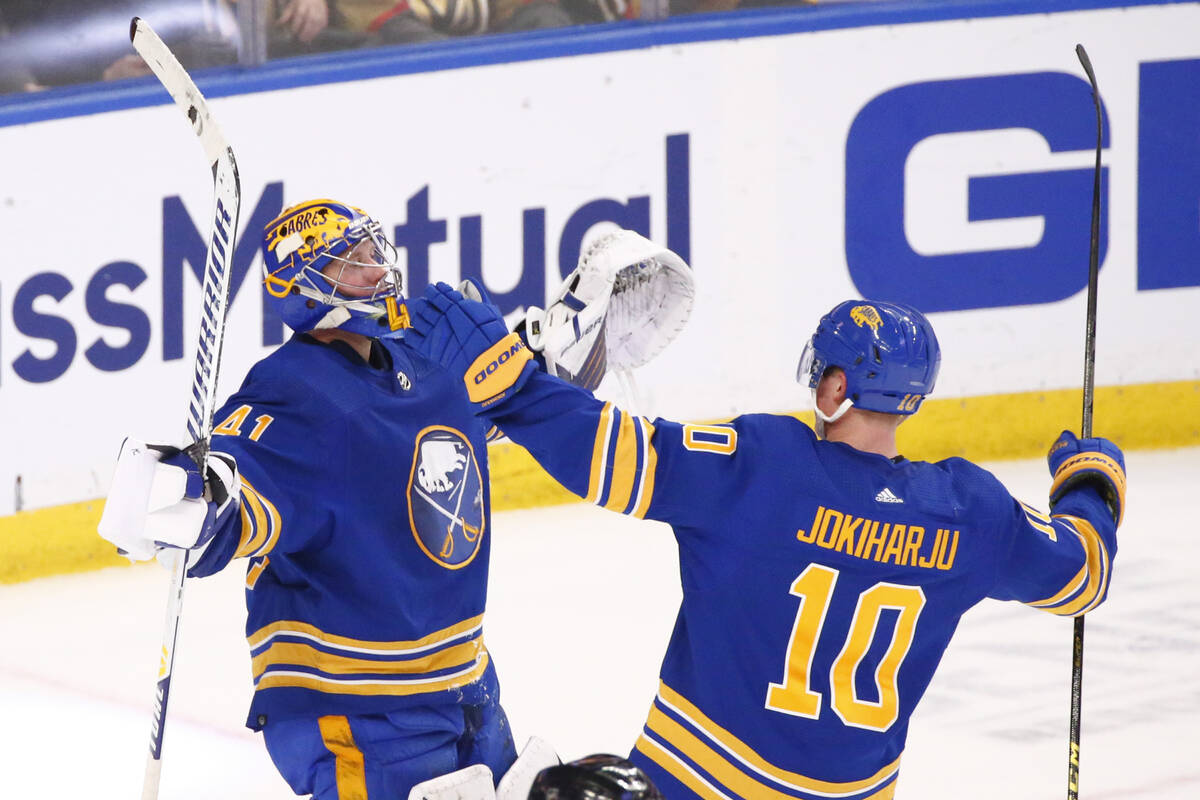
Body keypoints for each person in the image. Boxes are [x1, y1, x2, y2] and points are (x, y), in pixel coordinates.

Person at [403, 289, 1127, 800]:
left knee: (559, 788)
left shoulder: (765, 463)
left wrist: (514, 388)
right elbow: (1083, 576)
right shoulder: (972, 513)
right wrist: (1089, 486)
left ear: (836, 385)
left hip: (696, 784)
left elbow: (612, 457)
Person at [100, 199, 523, 799]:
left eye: (375, 252)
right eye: (352, 261)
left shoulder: (420, 358)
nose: (377, 269)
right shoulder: (293, 391)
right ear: (304, 287)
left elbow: (492, 408)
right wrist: (198, 494)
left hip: (467, 684)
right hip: (361, 709)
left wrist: (541, 367)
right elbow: (235, 491)